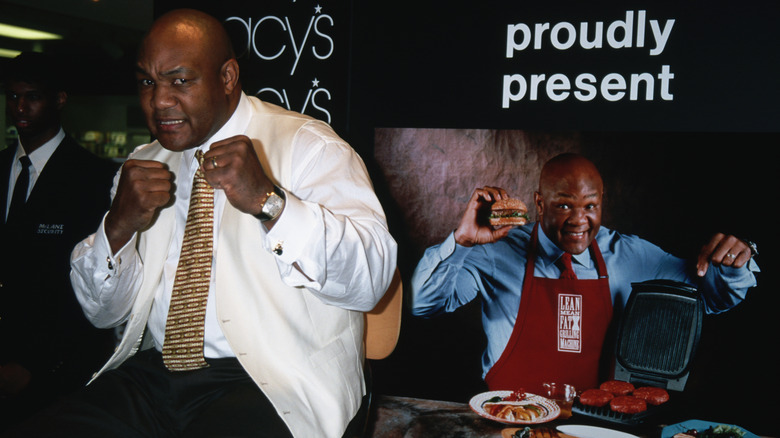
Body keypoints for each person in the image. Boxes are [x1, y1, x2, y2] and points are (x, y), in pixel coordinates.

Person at [4, 9, 397, 438]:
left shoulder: (309, 146)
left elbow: (371, 280)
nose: (159, 101)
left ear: (228, 77)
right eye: (147, 82)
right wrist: (117, 227)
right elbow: (103, 314)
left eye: (180, 81)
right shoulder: (143, 162)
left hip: (276, 377)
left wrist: (271, 204)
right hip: (157, 375)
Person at [411, 153, 758, 395]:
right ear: (539, 202)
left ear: (602, 201)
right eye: (564, 205)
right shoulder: (496, 247)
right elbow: (421, 304)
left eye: (590, 205)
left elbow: (708, 299)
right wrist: (461, 242)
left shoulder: (629, 255)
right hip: (510, 418)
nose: (579, 220)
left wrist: (734, 264)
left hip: (600, 425)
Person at [0, 52, 118, 431]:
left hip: (54, 376)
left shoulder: (96, 179)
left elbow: (91, 288)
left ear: (59, 100)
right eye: (12, 95)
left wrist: (38, 368)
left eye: (32, 96)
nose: (20, 106)